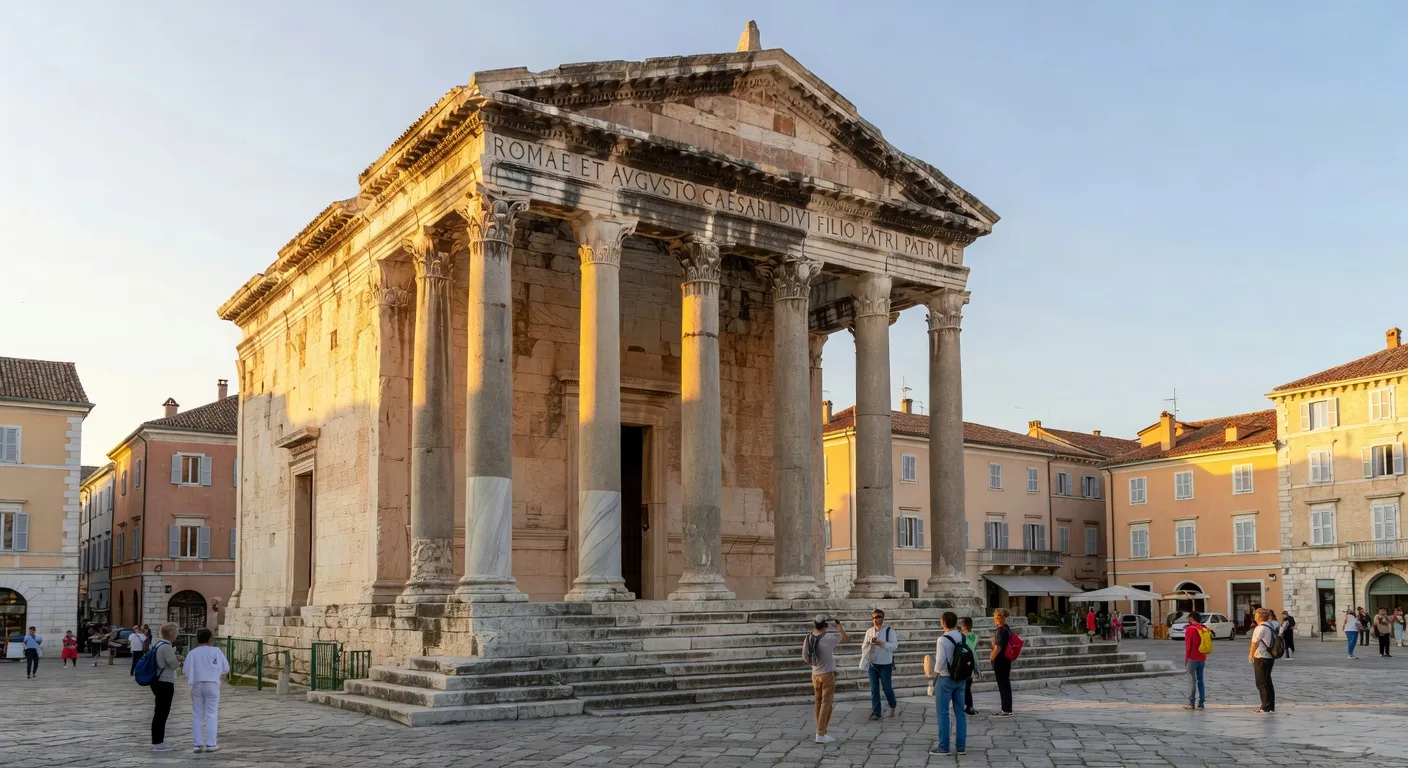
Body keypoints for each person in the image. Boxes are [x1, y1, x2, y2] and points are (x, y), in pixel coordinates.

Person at [927, 611, 967, 756]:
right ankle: (961, 746)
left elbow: (940, 662)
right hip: (961, 678)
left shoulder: (942, 640)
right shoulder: (963, 637)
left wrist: (933, 676)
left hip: (945, 678)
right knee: (960, 713)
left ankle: (943, 746)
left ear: (943, 622)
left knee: (943, 712)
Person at [184, 628, 230, 754]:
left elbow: (186, 671)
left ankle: (197, 744)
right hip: (212, 684)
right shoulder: (216, 651)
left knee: (197, 714)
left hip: (197, 684)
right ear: (210, 639)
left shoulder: (192, 653)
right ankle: (211, 743)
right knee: (211, 713)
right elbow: (226, 668)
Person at [804, 615, 847, 744]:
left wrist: (815, 663)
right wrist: (839, 627)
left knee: (818, 702)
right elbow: (845, 639)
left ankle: (820, 730)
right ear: (825, 625)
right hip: (827, 674)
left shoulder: (808, 638)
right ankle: (820, 733)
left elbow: (805, 656)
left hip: (815, 674)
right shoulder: (829, 638)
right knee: (826, 704)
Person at [149, 622, 184, 751]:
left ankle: (158, 741)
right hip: (165, 682)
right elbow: (173, 664)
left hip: (158, 681)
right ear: (171, 634)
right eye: (176, 632)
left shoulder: (158, 644)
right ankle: (157, 743)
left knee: (160, 712)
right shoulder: (166, 646)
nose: (177, 635)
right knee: (161, 713)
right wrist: (178, 659)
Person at [861, 609, 899, 720]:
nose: (876, 619)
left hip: (885, 664)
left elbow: (894, 646)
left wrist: (883, 644)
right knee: (874, 689)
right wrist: (870, 644)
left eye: (878, 617)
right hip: (872, 664)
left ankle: (893, 704)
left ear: (882, 618)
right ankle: (876, 712)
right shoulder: (869, 631)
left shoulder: (889, 631)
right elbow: (863, 647)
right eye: (873, 617)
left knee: (887, 688)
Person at [1249, 608, 1276, 713]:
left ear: (1259, 616)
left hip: (1261, 656)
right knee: (1268, 681)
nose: (1255, 617)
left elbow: (1254, 642)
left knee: (1261, 682)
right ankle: (1270, 705)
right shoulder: (1270, 626)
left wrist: (1251, 655)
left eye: (1256, 615)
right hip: (1269, 657)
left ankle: (1265, 706)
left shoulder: (1259, 628)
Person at [990, 608, 1014, 717]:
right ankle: (1007, 707)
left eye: (995, 617)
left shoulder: (1000, 630)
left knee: (1002, 684)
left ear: (999, 618)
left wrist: (991, 657)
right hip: (1007, 660)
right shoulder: (1007, 629)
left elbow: (998, 647)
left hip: (1000, 660)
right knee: (1006, 684)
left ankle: (1005, 709)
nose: (994, 619)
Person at [1181, 612, 1208, 710]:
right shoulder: (1204, 628)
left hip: (1192, 658)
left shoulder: (1190, 629)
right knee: (1200, 680)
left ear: (1191, 618)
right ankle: (1201, 703)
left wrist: (1186, 659)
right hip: (1202, 658)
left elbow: (1188, 646)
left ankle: (1191, 702)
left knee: (1191, 681)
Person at [959, 616, 979, 716]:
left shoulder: (963, 637)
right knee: (968, 684)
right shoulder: (975, 636)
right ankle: (968, 705)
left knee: (965, 686)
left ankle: (968, 705)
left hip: (965, 662)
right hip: (972, 663)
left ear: (963, 626)